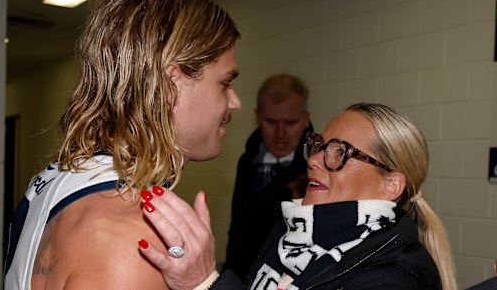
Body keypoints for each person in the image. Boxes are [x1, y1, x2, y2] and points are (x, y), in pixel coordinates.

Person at [3, 0, 241, 289]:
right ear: (171, 86)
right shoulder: (134, 242)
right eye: (224, 84)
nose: (235, 102)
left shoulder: (69, 177)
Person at [140, 102, 459, 290]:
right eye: (319, 145)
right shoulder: (293, 233)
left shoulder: (393, 280)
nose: (314, 159)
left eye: (339, 152)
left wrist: (206, 281)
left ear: (390, 186)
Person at [223, 73, 313, 281]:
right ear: (257, 117)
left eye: (290, 122)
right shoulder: (247, 162)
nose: (280, 133)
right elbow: (236, 229)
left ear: (306, 119)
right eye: (271, 122)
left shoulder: (316, 166)